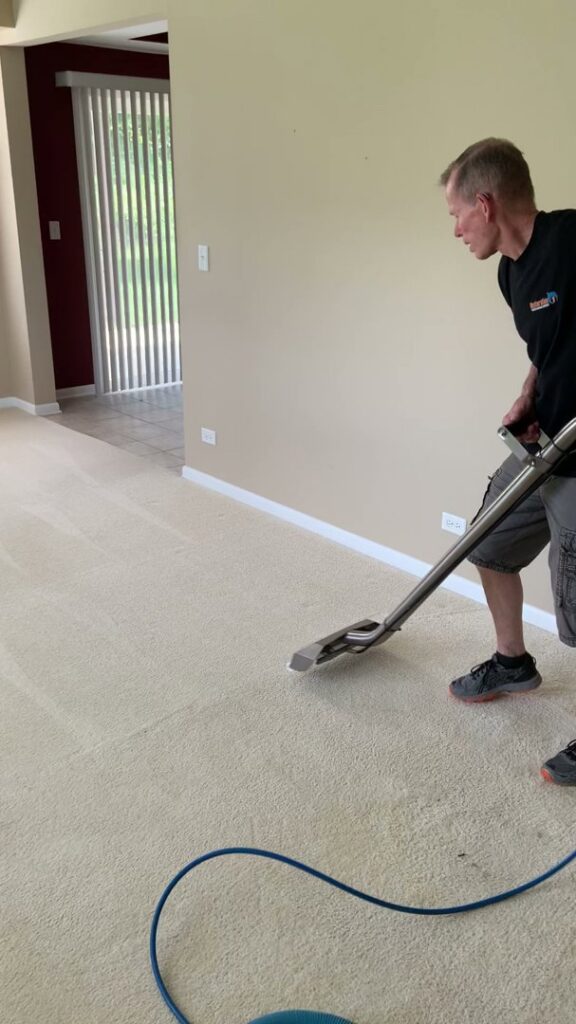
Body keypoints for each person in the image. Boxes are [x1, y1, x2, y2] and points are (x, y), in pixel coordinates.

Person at [439, 138, 576, 785]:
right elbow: (548, 346)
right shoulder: (510, 273)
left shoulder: (572, 240)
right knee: (487, 540)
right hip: (543, 441)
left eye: (456, 214)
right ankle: (512, 661)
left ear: (485, 204)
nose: (456, 229)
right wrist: (529, 389)